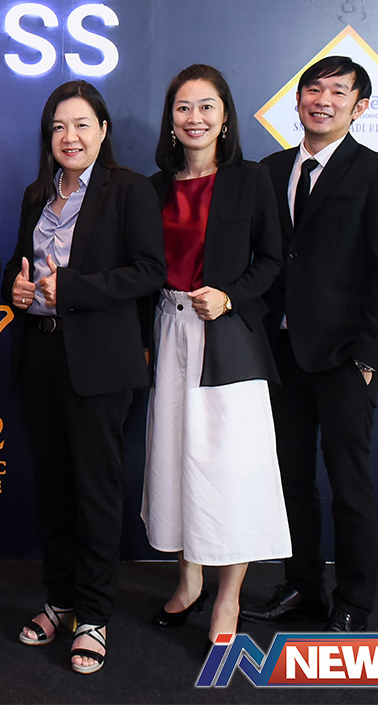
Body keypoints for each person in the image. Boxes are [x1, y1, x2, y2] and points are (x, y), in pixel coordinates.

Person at [241, 56, 378, 632]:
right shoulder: (269, 170)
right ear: (298, 100)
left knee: (348, 485)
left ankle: (355, 601)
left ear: (359, 108)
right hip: (280, 354)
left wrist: (368, 359)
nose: (323, 100)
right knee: (290, 482)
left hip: (344, 359)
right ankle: (301, 587)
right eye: (313, 89)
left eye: (339, 92)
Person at [4, 81, 165, 674]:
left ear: (102, 131)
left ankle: (94, 616)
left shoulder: (129, 189)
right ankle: (60, 599)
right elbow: (21, 265)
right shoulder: (36, 194)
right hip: (40, 355)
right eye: (58, 127)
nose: (69, 137)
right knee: (53, 488)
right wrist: (16, 286)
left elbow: (149, 272)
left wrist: (68, 288)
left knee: (95, 491)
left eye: (80, 125)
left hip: (98, 362)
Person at [140, 64, 290, 644]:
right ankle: (189, 582)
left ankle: (228, 598)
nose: (194, 118)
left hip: (228, 338)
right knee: (176, 459)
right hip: (168, 332)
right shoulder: (153, 187)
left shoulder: (251, 180)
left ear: (225, 117)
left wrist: (229, 296)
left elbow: (272, 260)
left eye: (207, 106)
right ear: (170, 119)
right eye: (183, 107)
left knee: (230, 470)